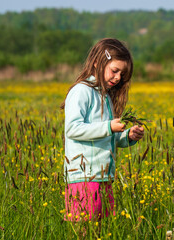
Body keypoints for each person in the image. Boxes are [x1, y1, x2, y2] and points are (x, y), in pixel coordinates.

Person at [61, 38, 144, 222]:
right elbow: (73, 129)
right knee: (83, 229)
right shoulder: (82, 91)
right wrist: (108, 127)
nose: (118, 78)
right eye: (115, 71)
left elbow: (106, 137)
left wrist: (127, 136)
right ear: (98, 62)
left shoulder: (104, 96)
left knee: (100, 229)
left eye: (122, 74)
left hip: (103, 177)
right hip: (84, 177)